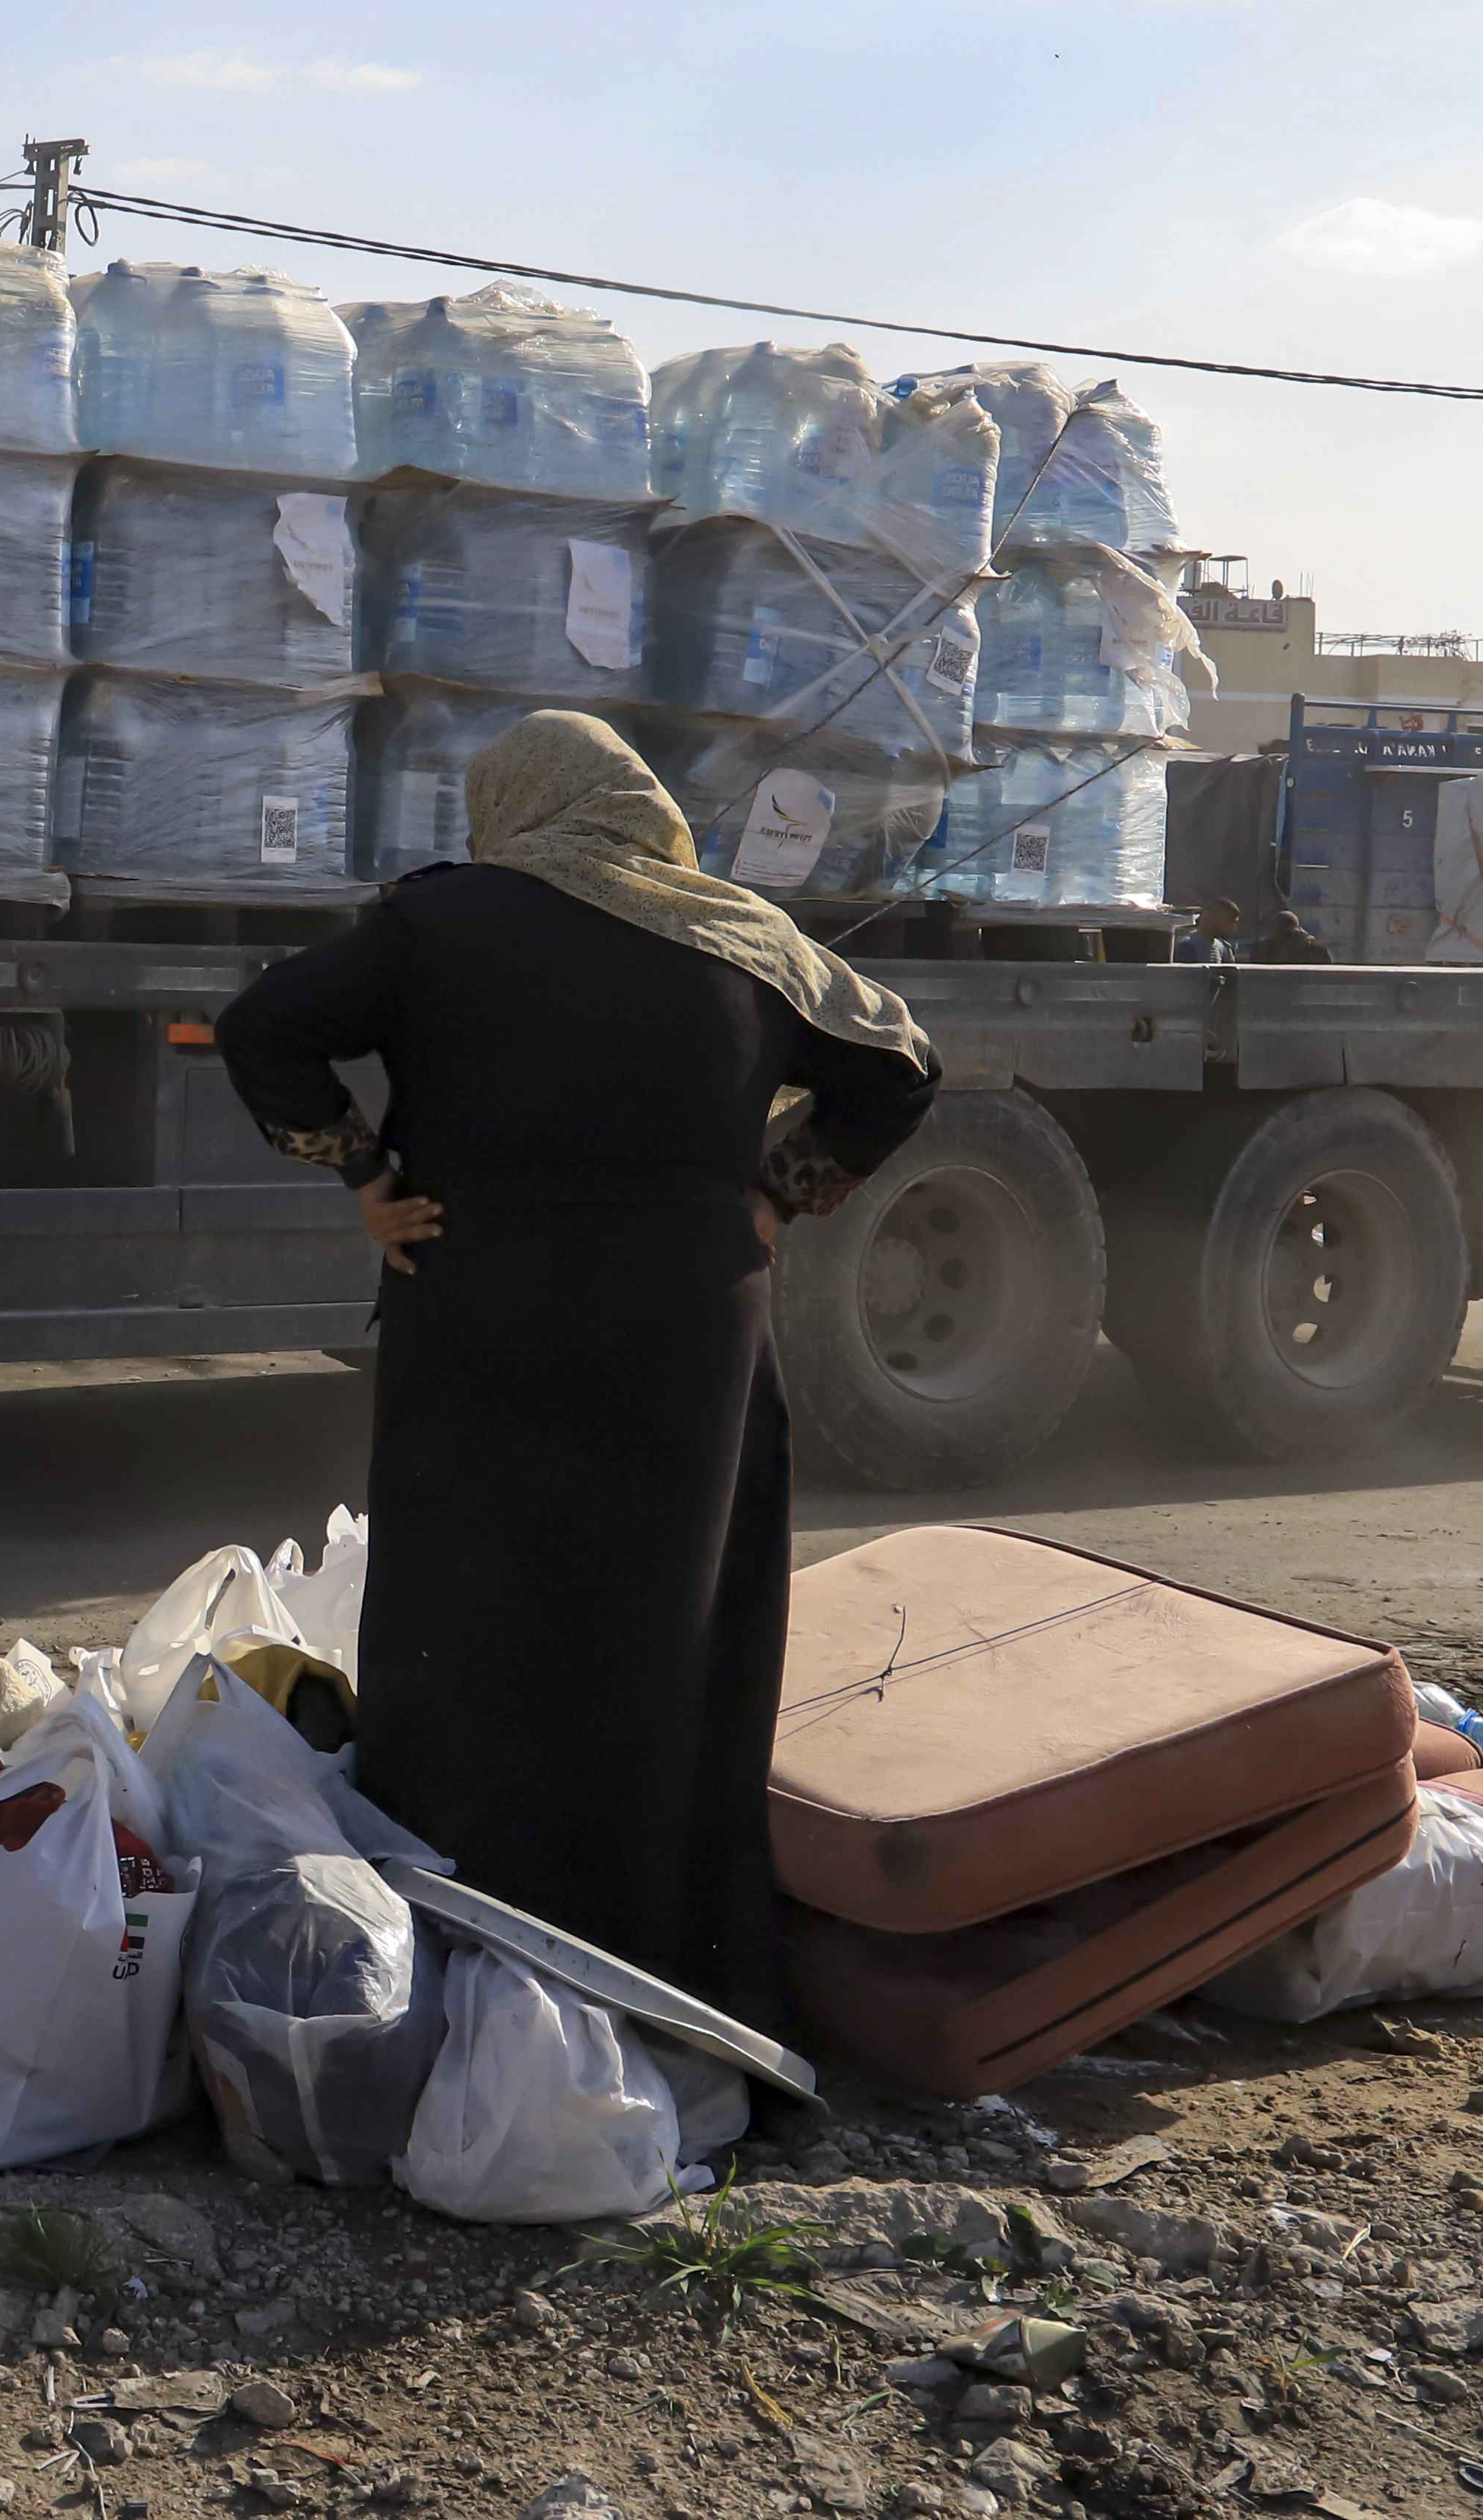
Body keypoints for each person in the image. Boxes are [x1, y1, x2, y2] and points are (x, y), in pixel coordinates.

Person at [210, 711, 940, 2027]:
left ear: (515, 807)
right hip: (687, 1331)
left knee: (470, 1622)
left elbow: (265, 1027)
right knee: (667, 1628)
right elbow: (899, 1069)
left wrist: (365, 1172)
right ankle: (672, 1964)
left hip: (486, 1308)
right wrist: (777, 1191)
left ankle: (457, 1943)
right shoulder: (744, 938)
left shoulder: (443, 924)